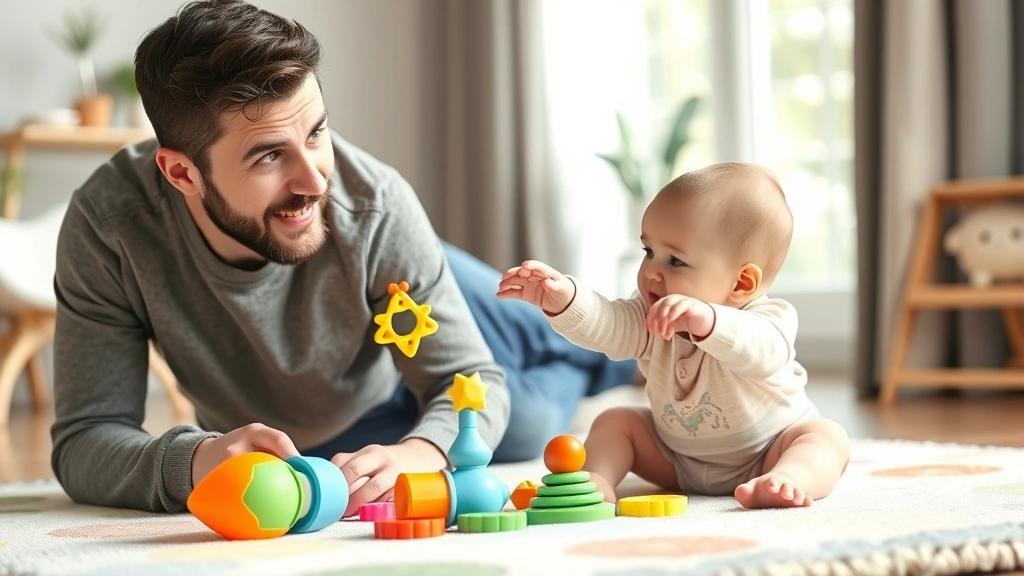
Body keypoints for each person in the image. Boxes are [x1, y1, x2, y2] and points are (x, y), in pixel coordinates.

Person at [50, 0, 635, 517]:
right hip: (356, 418)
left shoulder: (371, 202)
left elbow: (470, 378)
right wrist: (197, 458)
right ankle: (596, 359)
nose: (313, 179)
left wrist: (425, 452)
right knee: (531, 424)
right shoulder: (110, 229)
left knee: (537, 341)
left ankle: (629, 346)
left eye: (316, 133)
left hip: (386, 313)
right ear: (182, 172)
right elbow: (85, 439)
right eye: (268, 157)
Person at [497, 162, 851, 509]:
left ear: (742, 283)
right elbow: (609, 326)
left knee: (825, 437)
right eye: (649, 252)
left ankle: (789, 480)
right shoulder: (651, 312)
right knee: (616, 421)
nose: (651, 270)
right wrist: (565, 300)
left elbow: (764, 353)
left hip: (767, 452)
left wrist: (709, 322)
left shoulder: (768, 318)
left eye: (675, 261)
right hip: (676, 458)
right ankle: (597, 479)